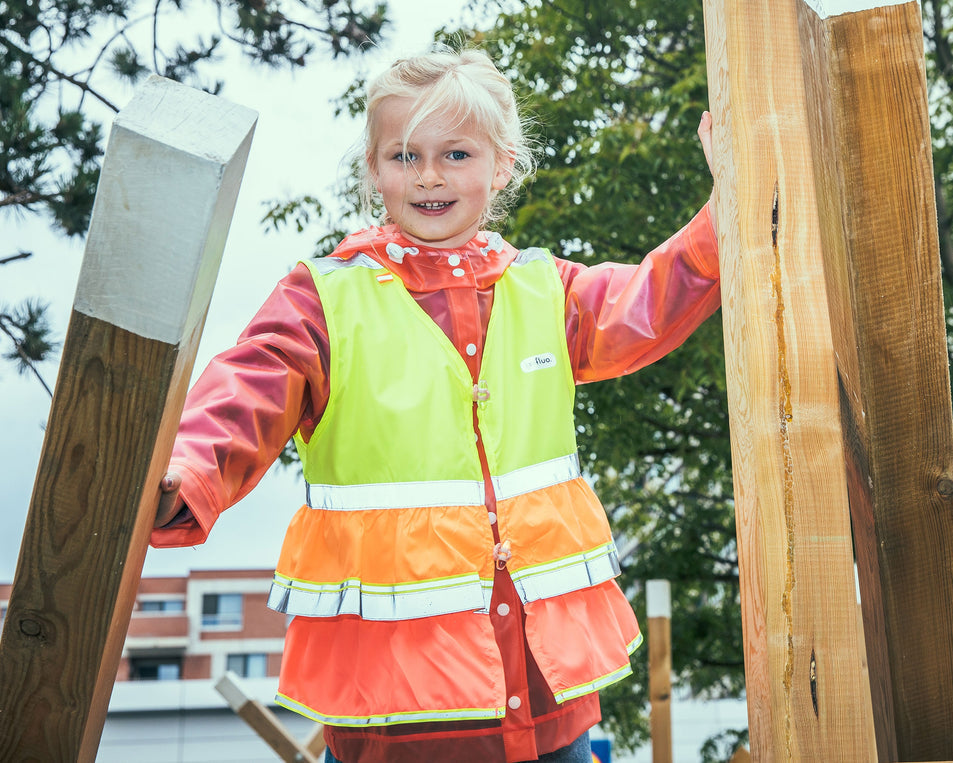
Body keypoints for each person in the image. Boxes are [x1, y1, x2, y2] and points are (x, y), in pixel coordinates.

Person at [152, 47, 721, 763]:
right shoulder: (323, 299)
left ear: (502, 164)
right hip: (397, 716)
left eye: (454, 152)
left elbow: (648, 299)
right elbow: (245, 388)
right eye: (403, 154)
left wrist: (723, 213)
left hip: (550, 712)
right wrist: (184, 473)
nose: (428, 175)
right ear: (372, 168)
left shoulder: (546, 290)